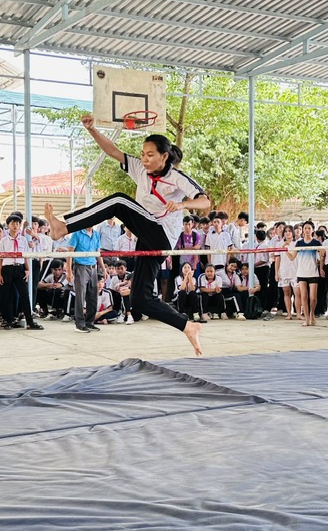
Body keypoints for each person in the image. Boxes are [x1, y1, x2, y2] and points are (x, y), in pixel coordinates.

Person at [43, 114, 209, 355]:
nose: (144, 159)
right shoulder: (140, 168)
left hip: (162, 235)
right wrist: (92, 130)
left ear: (164, 156)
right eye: (142, 154)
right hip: (147, 238)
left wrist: (183, 204)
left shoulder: (176, 177)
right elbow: (113, 151)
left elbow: (205, 201)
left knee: (119, 201)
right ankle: (187, 326)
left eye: (150, 155)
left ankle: (63, 227)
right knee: (141, 299)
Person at [68, 224, 103, 332]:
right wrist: (69, 270)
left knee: (93, 296)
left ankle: (90, 322)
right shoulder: (77, 233)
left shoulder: (96, 234)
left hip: (93, 267)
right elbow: (70, 253)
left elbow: (98, 253)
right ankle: (79, 324)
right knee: (80, 296)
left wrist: (103, 268)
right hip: (81, 267)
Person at [289, 221, 324, 327]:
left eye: (309, 228)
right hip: (301, 272)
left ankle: (312, 314)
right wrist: (284, 250)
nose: (307, 230)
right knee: (304, 296)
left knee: (313, 297)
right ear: (303, 230)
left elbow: (322, 255)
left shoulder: (316, 242)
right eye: (305, 228)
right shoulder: (299, 243)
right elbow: (292, 257)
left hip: (313, 272)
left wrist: (321, 267)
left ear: (312, 230)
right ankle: (307, 318)